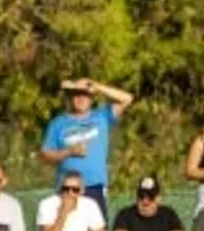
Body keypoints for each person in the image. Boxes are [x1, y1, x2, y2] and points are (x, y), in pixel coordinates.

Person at [40, 77, 134, 218]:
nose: (80, 98)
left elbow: (127, 98)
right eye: (76, 94)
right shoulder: (58, 123)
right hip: (67, 187)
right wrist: (68, 151)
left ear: (91, 98)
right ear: (70, 97)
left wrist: (97, 85)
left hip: (94, 186)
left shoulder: (101, 117)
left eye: (85, 95)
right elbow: (45, 154)